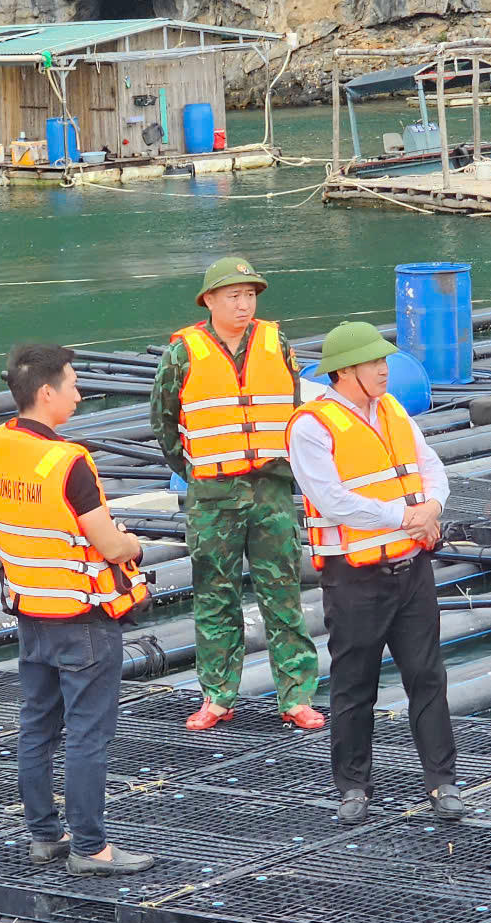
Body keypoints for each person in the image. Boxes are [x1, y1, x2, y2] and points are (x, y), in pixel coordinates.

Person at [0, 344, 155, 877]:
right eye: (73, 386)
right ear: (47, 392)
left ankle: (44, 837)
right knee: (86, 735)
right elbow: (106, 540)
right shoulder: (69, 460)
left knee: (36, 727)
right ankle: (91, 847)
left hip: (31, 613)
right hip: (83, 619)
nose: (79, 395)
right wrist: (132, 544)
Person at [287, 322, 463, 824]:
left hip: (411, 568)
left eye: (383, 360)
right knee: (353, 684)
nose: (383, 369)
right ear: (344, 372)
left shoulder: (393, 410)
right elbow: (332, 500)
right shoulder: (311, 426)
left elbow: (432, 468)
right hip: (354, 578)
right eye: (372, 362)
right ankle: (352, 786)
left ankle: (442, 781)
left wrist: (431, 507)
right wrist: (406, 517)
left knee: (427, 676)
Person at [150, 256, 322, 731]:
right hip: (213, 494)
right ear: (209, 301)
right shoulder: (182, 354)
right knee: (214, 597)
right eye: (233, 296)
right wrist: (192, 470)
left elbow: (292, 406)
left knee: (283, 594)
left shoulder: (276, 343)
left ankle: (296, 698)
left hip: (271, 489)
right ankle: (218, 697)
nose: (244, 304)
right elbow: (163, 422)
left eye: (250, 295)